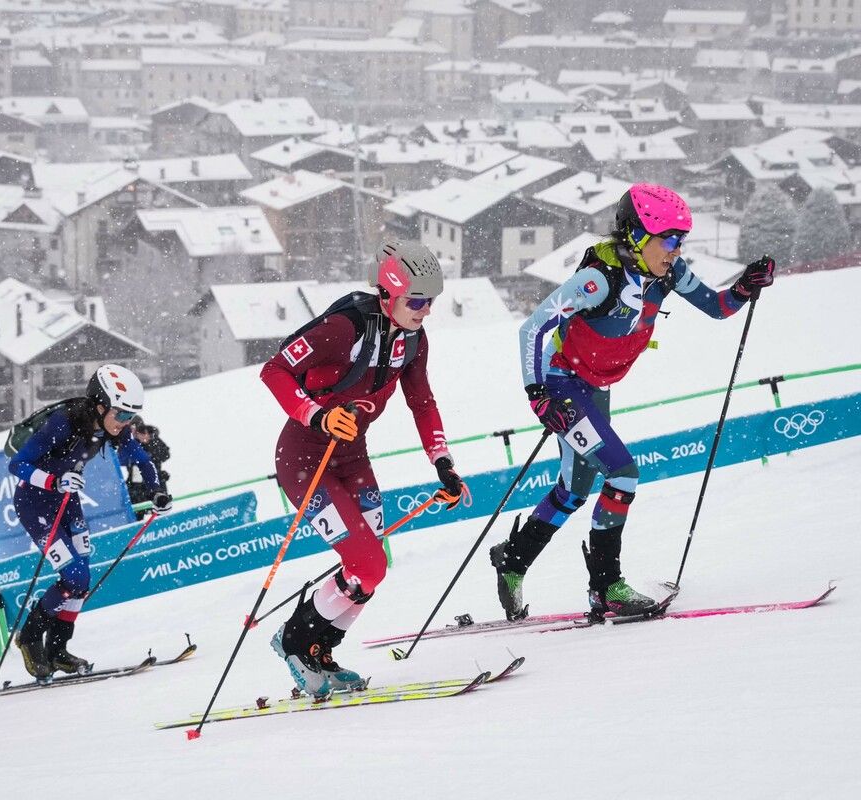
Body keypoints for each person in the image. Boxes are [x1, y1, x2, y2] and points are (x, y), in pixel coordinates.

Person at [492, 183, 776, 620]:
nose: (677, 250)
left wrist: (744, 286)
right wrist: (538, 395)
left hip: (594, 386)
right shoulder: (596, 280)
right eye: (670, 240)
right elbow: (531, 328)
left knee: (574, 489)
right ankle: (606, 587)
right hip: (562, 384)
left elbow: (717, 307)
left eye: (682, 240)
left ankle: (512, 560)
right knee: (622, 473)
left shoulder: (669, 273)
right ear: (638, 237)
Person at [260, 239, 470, 699]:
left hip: (352, 456)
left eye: (430, 301)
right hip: (304, 459)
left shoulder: (414, 338)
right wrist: (314, 414)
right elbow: (274, 369)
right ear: (388, 294)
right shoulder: (343, 328)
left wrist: (443, 462)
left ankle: (318, 650)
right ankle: (293, 642)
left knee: (372, 568)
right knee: (366, 561)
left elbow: (422, 402)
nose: (425, 311)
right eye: (416, 301)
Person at [8, 364, 171, 681]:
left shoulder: (114, 427)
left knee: (81, 581)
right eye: (122, 415)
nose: (125, 423)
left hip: (68, 502)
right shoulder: (62, 423)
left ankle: (57, 650)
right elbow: (18, 464)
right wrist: (54, 482)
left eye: (131, 417)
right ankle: (28, 638)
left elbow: (142, 458)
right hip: (35, 503)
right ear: (100, 404)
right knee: (73, 574)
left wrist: (158, 492)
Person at [122, 419, 171, 519]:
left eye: (141, 431)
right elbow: (121, 460)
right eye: (134, 431)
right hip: (135, 485)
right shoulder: (129, 443)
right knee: (136, 513)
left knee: (160, 510)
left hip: (154, 483)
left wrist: (151, 441)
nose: (139, 434)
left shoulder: (154, 441)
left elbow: (165, 455)